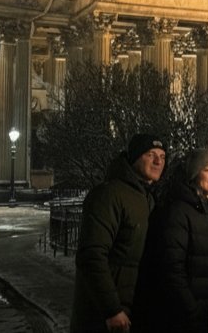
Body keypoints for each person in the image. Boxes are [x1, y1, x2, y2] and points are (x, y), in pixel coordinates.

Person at [70, 134, 167, 333]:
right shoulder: (109, 195)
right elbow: (92, 255)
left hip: (130, 310)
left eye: (163, 156)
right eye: (151, 155)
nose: (158, 161)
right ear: (134, 157)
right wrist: (112, 309)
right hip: (105, 316)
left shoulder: (146, 197)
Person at [160, 148, 208, 333]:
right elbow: (172, 268)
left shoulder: (206, 209)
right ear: (194, 174)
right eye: (207, 169)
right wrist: (192, 311)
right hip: (186, 317)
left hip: (202, 313)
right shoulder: (180, 211)